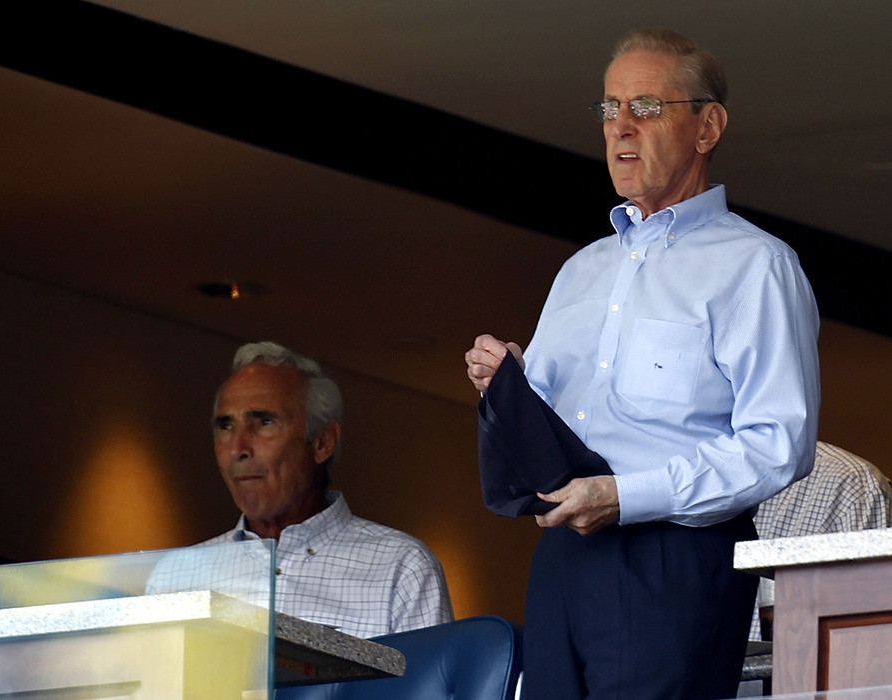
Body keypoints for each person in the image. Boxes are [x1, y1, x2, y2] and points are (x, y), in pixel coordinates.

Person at [465, 28, 820, 699]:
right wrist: (507, 390)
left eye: (646, 108)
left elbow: (779, 444)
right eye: (607, 109)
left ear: (707, 126)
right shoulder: (580, 271)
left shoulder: (755, 265)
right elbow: (539, 442)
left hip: (674, 556)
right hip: (563, 557)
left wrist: (628, 496)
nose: (619, 127)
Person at [150, 341, 453, 639]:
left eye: (264, 422)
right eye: (226, 427)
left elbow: (427, 688)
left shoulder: (401, 568)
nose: (237, 449)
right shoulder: (174, 576)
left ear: (322, 441)